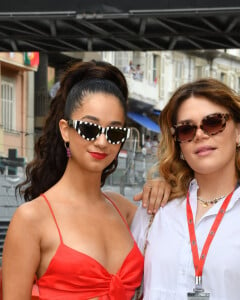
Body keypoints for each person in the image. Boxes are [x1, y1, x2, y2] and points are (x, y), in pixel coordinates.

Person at [2, 60, 170, 300]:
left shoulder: (125, 210)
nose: (102, 142)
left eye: (114, 132)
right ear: (65, 130)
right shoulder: (32, 219)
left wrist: (165, 184)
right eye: (89, 128)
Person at [131, 78, 240, 300]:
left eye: (212, 123)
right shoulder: (154, 210)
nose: (200, 134)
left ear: (238, 132)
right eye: (186, 129)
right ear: (179, 143)